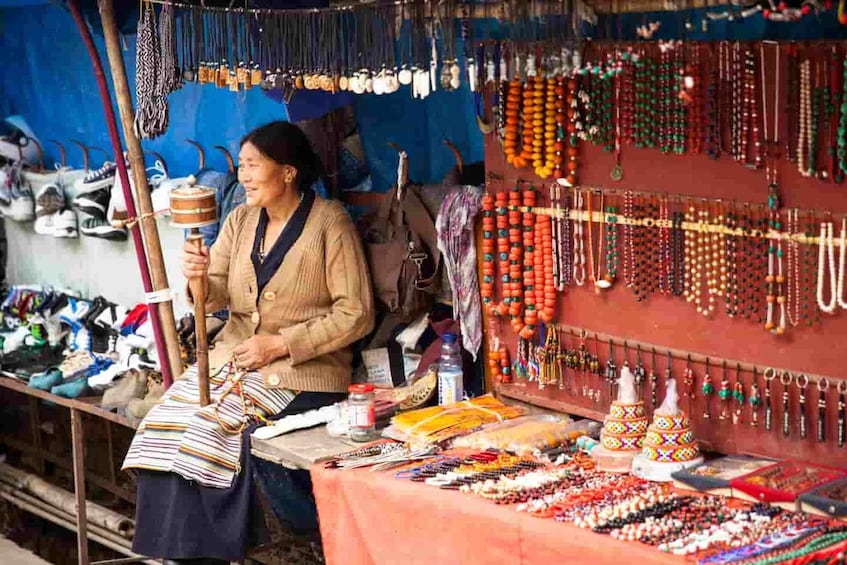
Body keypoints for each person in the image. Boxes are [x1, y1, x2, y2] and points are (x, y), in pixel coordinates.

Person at [122, 121, 374, 564]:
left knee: (206, 432)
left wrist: (281, 344)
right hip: (234, 362)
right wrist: (198, 278)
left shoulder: (328, 224)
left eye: (254, 166)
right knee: (161, 428)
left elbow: (356, 314)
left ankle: (212, 554)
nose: (244, 176)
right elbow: (214, 294)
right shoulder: (241, 219)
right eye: (241, 166)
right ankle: (172, 555)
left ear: (289, 171)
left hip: (300, 372)